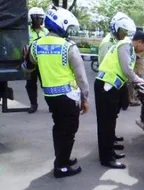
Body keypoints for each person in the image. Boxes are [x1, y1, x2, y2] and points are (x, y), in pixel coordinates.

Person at [22, 6, 90, 178]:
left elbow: (28, 68)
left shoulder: (36, 46)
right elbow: (81, 78)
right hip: (68, 97)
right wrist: (85, 98)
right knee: (69, 131)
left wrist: (25, 57)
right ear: (61, 25)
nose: (68, 31)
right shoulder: (69, 47)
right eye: (68, 28)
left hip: (50, 97)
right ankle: (61, 166)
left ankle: (63, 159)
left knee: (59, 129)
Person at [94, 26, 144, 169]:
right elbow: (126, 70)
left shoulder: (128, 49)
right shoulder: (125, 45)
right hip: (106, 87)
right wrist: (142, 82)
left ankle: (110, 152)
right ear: (139, 41)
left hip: (112, 87)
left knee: (111, 122)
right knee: (105, 124)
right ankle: (106, 159)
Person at [97, 12, 133, 149]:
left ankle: (111, 138)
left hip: (116, 83)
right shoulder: (108, 42)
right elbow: (105, 64)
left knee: (113, 115)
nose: (125, 34)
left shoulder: (118, 41)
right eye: (123, 31)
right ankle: (108, 144)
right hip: (108, 83)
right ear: (116, 29)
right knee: (107, 118)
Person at [26, 7, 49, 113]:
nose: (39, 20)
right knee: (30, 84)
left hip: (44, 62)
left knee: (46, 84)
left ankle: (51, 104)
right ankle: (33, 104)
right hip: (31, 61)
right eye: (37, 18)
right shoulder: (26, 32)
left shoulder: (46, 31)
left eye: (41, 18)